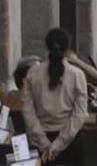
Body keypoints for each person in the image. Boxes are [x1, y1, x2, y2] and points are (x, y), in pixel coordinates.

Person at [21, 28, 88, 165]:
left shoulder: (32, 74)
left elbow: (28, 112)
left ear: (47, 46)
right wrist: (58, 144)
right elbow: (80, 114)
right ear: (68, 49)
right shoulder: (77, 75)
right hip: (71, 141)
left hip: (41, 141)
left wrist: (45, 143)